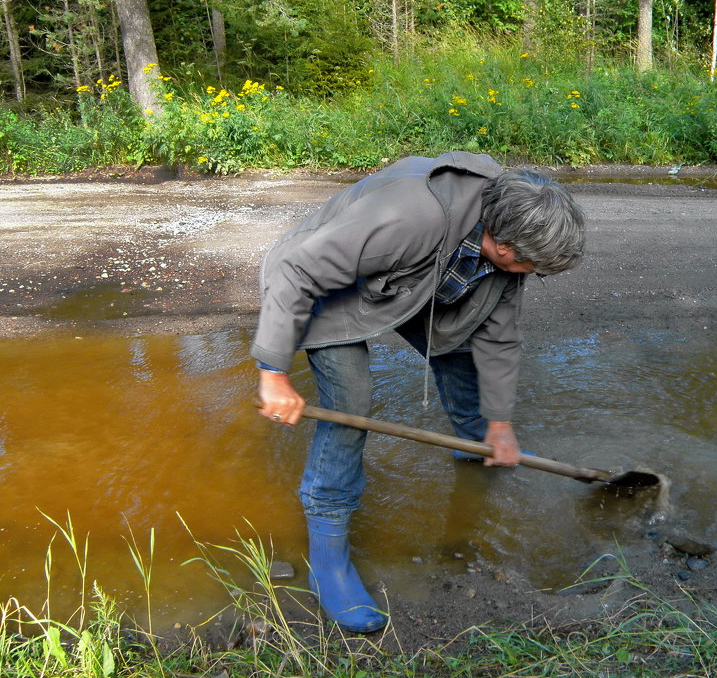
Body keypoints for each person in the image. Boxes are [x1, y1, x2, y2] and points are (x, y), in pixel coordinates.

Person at [250, 151, 585, 633]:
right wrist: (273, 371)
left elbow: (499, 336)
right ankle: (328, 561)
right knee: (350, 403)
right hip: (320, 283)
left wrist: (500, 423)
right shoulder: (413, 216)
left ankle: (479, 447)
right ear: (506, 246)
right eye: (534, 265)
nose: (533, 273)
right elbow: (299, 272)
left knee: (464, 350)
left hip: (409, 278)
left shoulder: (508, 236)